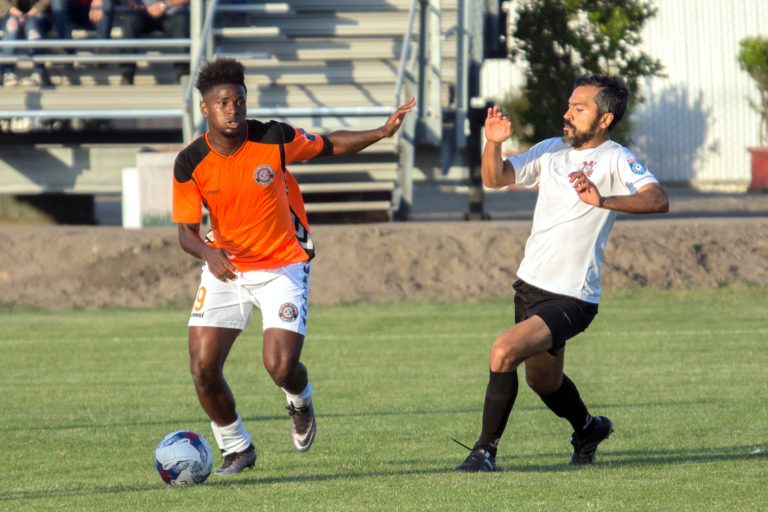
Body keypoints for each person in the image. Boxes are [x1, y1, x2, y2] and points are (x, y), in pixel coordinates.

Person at [172, 57, 415, 475]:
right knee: (202, 369)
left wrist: (380, 131)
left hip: (283, 265)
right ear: (205, 109)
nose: (234, 109)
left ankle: (300, 401)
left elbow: (329, 144)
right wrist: (209, 254)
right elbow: (185, 233)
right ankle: (237, 448)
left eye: (239, 101)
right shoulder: (190, 162)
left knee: (280, 366)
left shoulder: (273, 137)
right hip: (225, 267)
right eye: (224, 103)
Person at [455, 75, 669, 472]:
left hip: (572, 296)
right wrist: (494, 142)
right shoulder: (550, 150)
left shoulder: (616, 158)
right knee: (544, 382)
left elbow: (657, 198)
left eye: (579, 108)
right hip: (530, 287)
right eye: (569, 105)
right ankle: (588, 428)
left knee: (503, 351)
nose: (567, 114)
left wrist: (603, 199)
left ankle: (484, 452)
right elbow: (495, 178)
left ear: (604, 119)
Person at [118, 0, 189, 85]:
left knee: (181, 21)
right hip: (143, 12)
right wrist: (132, 3)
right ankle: (127, 73)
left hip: (172, 13)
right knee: (129, 19)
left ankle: (183, 74)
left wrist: (164, 5)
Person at [0, 0, 52, 87]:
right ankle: (8, 72)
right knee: (11, 26)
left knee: (33, 29)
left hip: (37, 13)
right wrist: (17, 13)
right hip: (9, 12)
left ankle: (39, 72)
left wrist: (31, 13)